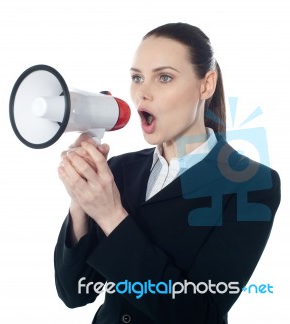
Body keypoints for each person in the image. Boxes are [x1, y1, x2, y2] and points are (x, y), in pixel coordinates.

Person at [54, 22, 281, 324]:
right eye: (137, 78)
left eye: (164, 77)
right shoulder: (119, 170)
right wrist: (80, 200)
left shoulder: (251, 185)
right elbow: (74, 293)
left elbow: (201, 315)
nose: (142, 94)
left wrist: (111, 216)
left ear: (206, 84)